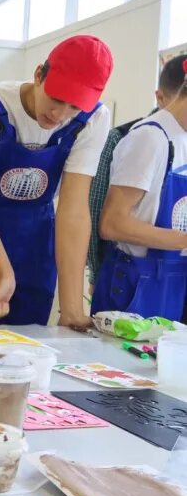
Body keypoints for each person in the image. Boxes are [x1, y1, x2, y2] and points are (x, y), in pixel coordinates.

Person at [0, 35, 113, 328]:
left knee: (26, 346)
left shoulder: (94, 119)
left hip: (36, 244)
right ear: (39, 75)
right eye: (56, 99)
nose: (60, 115)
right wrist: (4, 273)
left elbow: (73, 210)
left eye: (73, 108)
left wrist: (72, 310)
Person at [91, 58, 187, 321]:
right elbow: (112, 224)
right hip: (134, 284)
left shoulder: (182, 137)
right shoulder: (150, 137)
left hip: (172, 279)